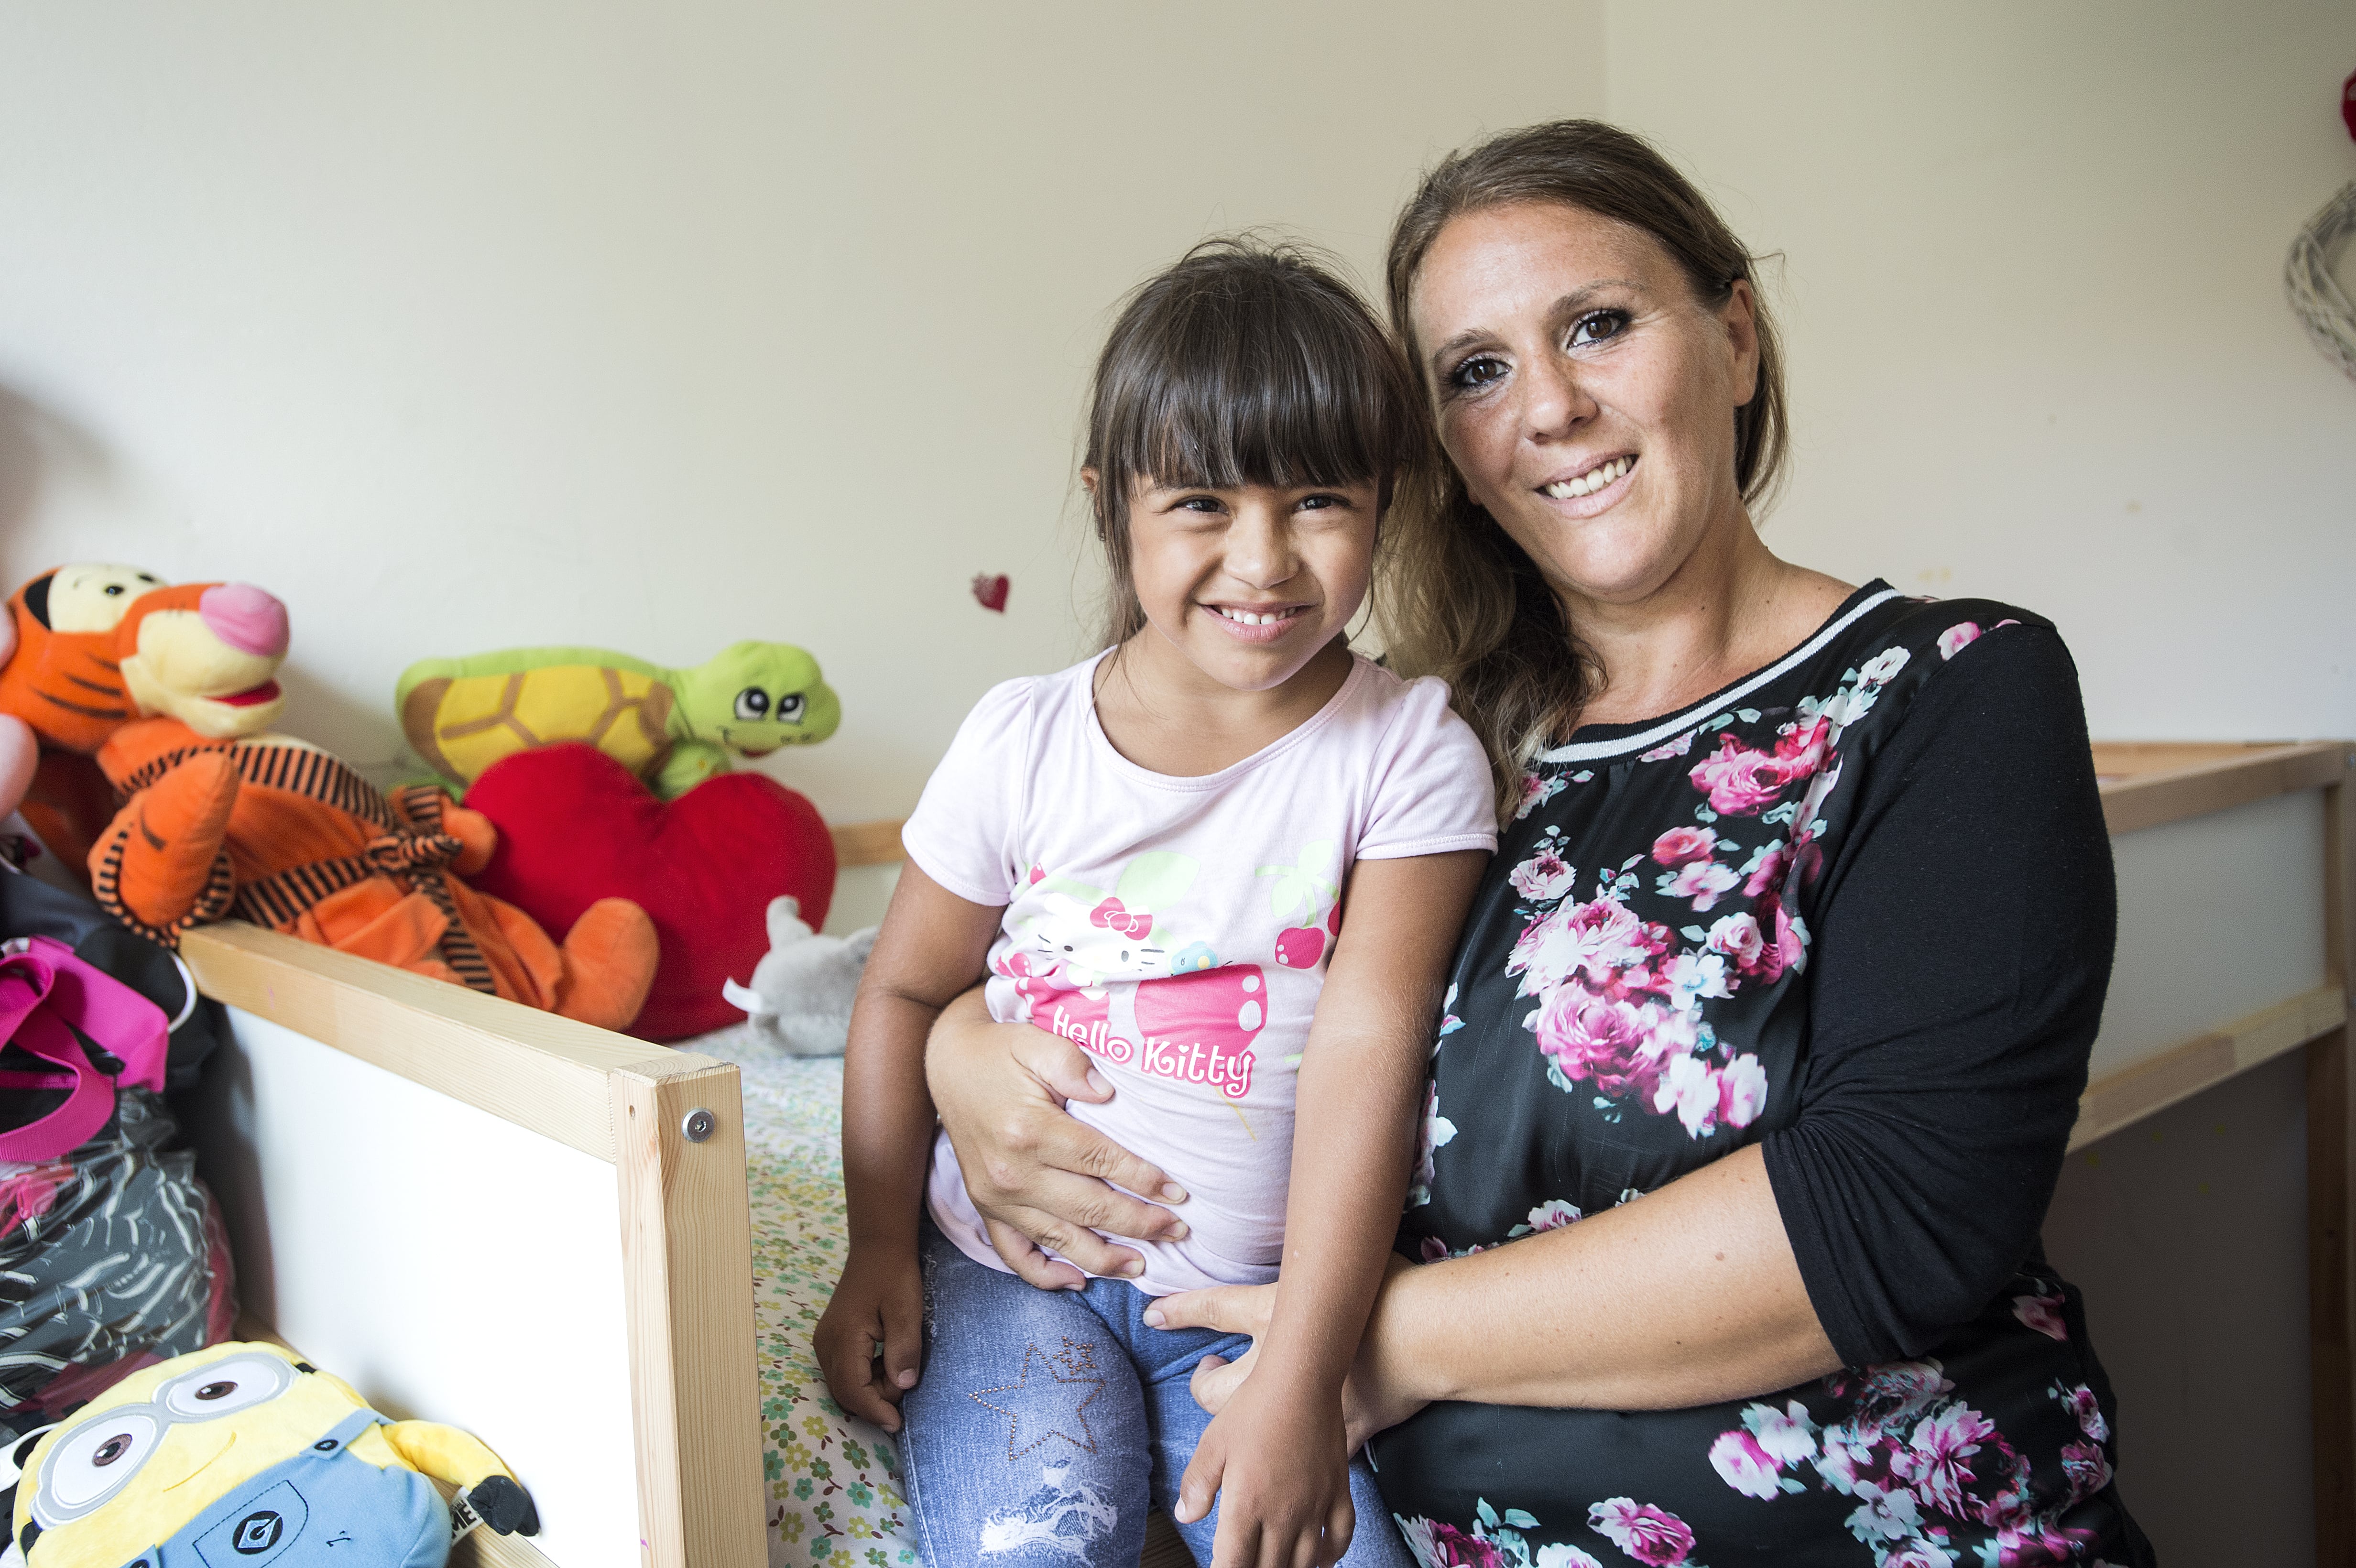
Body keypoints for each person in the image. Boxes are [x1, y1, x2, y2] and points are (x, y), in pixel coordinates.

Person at [923, 122, 2155, 1566]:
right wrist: (958, 1042)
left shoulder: (1948, 690)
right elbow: (1135, 946)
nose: (1552, 408)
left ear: (1736, 339)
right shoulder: (1421, 757)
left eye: (1600, 326)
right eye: (1478, 371)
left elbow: (1898, 1216)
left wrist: (1358, 1345)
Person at [814, 239, 1498, 1568]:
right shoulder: (1021, 741)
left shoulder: (1411, 753)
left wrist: (1305, 1369)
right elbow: (902, 990)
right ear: (1110, 503)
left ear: (1387, 503)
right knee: (1033, 1545)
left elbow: (1371, 1052)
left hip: (1250, 1311)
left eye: (1319, 500)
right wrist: (877, 1248)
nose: (1264, 560)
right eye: (1201, 503)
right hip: (1007, 1274)